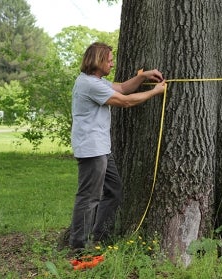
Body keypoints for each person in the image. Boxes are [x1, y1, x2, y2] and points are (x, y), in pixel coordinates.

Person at [69, 42, 165, 250]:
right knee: (89, 197)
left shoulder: (97, 81)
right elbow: (125, 101)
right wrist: (155, 92)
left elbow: (122, 88)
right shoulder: (89, 84)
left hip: (102, 148)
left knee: (113, 191)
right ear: (98, 61)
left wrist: (142, 76)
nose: (112, 63)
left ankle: (100, 238)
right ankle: (79, 246)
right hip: (92, 150)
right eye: (110, 60)